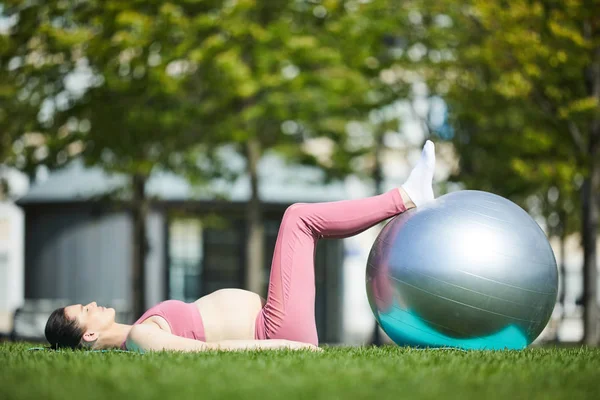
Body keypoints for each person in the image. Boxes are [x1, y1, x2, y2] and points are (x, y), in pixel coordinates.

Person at [44, 141, 436, 352]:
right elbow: (210, 355)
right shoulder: (140, 338)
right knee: (299, 218)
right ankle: (405, 197)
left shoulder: (140, 331)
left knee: (299, 219)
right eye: (85, 311)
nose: (92, 304)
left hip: (273, 324)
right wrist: (286, 349)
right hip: (276, 333)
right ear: (89, 336)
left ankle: (405, 197)